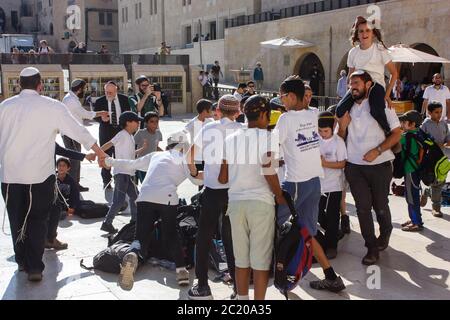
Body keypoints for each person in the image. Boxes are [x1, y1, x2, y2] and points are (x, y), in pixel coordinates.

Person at [0, 67, 106, 282]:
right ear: (40, 85)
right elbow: (79, 130)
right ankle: (35, 268)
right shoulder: (52, 106)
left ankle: (22, 261)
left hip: (10, 176)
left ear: (19, 85)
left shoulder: (5, 107)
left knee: (17, 219)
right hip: (40, 177)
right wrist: (100, 152)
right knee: (38, 220)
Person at [104, 132, 203, 290]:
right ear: (183, 147)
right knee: (171, 234)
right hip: (167, 198)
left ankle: (133, 254)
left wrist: (110, 161)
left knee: (141, 236)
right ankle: (181, 271)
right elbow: (196, 179)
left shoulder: (156, 155)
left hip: (145, 196)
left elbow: (131, 164)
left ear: (168, 145)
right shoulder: (185, 160)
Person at [275, 76, 345, 293]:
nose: (280, 99)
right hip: (315, 182)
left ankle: (283, 274)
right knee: (307, 232)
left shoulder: (285, 120)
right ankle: (330, 275)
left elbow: (270, 149)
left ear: (292, 97)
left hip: (295, 183)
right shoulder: (313, 114)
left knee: (279, 227)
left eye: (282, 95)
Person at [218, 95, 285, 300]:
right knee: (261, 262)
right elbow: (269, 171)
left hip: (236, 204)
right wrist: (280, 196)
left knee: (241, 260)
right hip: (261, 204)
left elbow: (222, 178)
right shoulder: (268, 138)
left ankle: (242, 300)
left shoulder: (230, 139)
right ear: (264, 114)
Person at [337, 70, 402, 265]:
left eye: (356, 83)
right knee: (362, 208)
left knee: (380, 205)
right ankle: (371, 247)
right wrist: (342, 126)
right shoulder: (346, 109)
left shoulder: (382, 105)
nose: (352, 87)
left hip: (380, 166)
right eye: (350, 84)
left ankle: (386, 230)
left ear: (368, 85)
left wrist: (378, 150)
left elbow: (397, 134)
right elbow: (339, 140)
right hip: (354, 167)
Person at [187, 95, 242, 300]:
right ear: (238, 111)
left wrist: (194, 174)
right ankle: (238, 288)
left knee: (204, 238)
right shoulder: (243, 130)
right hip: (235, 192)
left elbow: (190, 156)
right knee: (232, 240)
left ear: (218, 109)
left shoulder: (209, 129)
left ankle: (202, 287)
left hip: (212, 192)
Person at [336, 16, 398, 137]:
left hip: (375, 86)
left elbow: (394, 73)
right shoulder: (353, 52)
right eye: (361, 31)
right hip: (358, 85)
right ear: (357, 34)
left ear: (373, 33)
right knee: (339, 109)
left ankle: (387, 131)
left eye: (368, 30)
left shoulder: (380, 50)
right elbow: (350, 75)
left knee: (375, 110)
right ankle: (346, 134)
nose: (364, 33)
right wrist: (350, 91)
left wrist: (387, 95)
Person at [100, 112, 144, 234]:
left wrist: (141, 150)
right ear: (128, 123)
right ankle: (107, 223)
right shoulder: (122, 134)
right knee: (119, 201)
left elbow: (129, 153)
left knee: (136, 197)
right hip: (121, 173)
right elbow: (109, 143)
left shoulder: (130, 136)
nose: (138, 123)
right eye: (136, 121)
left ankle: (134, 220)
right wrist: (97, 152)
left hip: (128, 173)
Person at [62, 79, 109, 192]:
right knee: (74, 160)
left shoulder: (70, 98)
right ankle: (73, 186)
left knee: (75, 159)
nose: (85, 91)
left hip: (72, 134)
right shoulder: (71, 100)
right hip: (71, 135)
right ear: (79, 89)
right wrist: (101, 112)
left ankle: (75, 184)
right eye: (84, 88)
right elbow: (85, 114)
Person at [316, 111, 347, 259]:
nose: (322, 134)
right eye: (320, 131)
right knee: (318, 214)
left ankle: (331, 246)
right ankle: (333, 234)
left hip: (333, 186)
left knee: (332, 216)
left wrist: (325, 163)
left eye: (326, 131)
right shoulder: (316, 140)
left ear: (333, 127)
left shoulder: (338, 142)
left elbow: (342, 163)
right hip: (317, 185)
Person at [94, 81, 131, 189]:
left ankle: (120, 180)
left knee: (120, 156)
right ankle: (106, 180)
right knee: (105, 155)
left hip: (120, 130)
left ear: (116, 90)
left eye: (110, 92)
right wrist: (101, 118)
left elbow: (128, 113)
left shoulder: (124, 99)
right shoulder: (100, 101)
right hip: (106, 131)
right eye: (106, 92)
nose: (108, 94)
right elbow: (94, 115)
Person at [420, 101, 450, 218]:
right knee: (434, 181)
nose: (439, 114)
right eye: (436, 112)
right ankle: (433, 203)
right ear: (429, 112)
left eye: (441, 112)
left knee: (440, 182)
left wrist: (447, 142)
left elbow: (447, 137)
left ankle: (430, 198)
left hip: (442, 159)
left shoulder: (443, 124)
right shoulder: (425, 125)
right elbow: (421, 140)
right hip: (430, 159)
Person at [398, 111, 425, 232]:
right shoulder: (419, 133)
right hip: (416, 170)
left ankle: (416, 223)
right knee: (413, 195)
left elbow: (394, 143)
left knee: (411, 197)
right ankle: (415, 219)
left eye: (404, 122)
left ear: (412, 124)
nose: (402, 124)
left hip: (410, 170)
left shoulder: (405, 137)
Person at [185, 99, 213, 173]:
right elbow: (183, 133)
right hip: (198, 157)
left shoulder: (210, 122)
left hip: (209, 156)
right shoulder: (192, 123)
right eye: (210, 109)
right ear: (204, 111)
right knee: (201, 180)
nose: (212, 111)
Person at [134, 112, 163, 183]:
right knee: (144, 184)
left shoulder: (158, 133)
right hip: (142, 164)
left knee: (152, 184)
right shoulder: (140, 133)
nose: (155, 124)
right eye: (152, 121)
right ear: (146, 123)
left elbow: (156, 147)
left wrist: (166, 153)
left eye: (157, 121)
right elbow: (132, 148)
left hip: (153, 163)